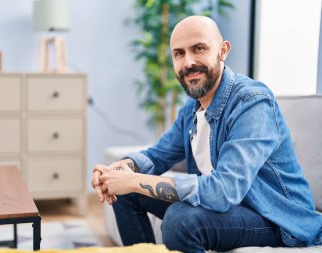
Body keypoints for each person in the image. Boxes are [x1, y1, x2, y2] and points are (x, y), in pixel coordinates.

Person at [91, 16, 322, 253]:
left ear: (223, 51)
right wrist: (121, 170)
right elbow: (157, 156)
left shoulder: (252, 102)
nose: (188, 62)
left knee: (182, 220)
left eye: (198, 48)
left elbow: (224, 190)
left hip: (278, 220)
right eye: (179, 53)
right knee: (125, 193)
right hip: (232, 211)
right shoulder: (191, 111)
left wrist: (135, 181)